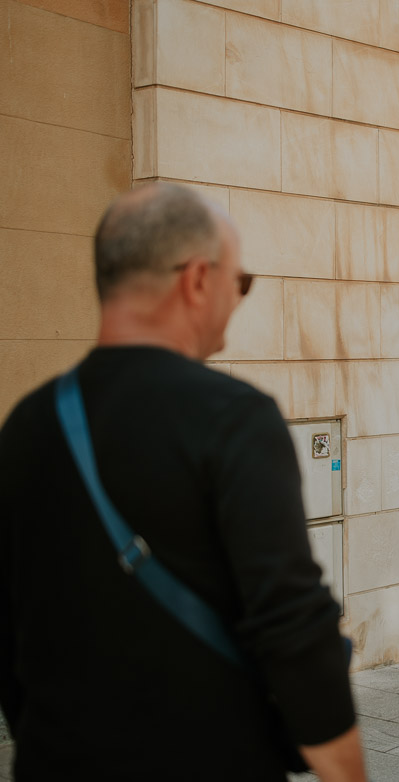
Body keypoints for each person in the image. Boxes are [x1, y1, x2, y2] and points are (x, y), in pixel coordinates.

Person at [0, 184, 364, 780]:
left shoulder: (25, 425)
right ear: (197, 280)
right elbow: (294, 631)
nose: (238, 298)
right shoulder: (235, 419)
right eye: (239, 282)